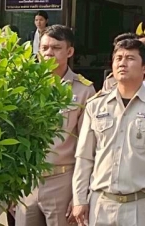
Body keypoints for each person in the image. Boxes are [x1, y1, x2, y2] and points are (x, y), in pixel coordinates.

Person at [72, 38, 145, 226]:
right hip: (101, 203)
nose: (122, 63)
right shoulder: (96, 105)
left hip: (140, 205)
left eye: (130, 58)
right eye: (118, 58)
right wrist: (79, 199)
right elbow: (84, 157)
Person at [16, 25, 96, 226]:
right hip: (27, 181)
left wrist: (80, 195)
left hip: (63, 180)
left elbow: (89, 146)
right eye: (44, 48)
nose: (49, 53)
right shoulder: (25, 85)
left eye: (56, 48)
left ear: (69, 52)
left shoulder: (83, 90)